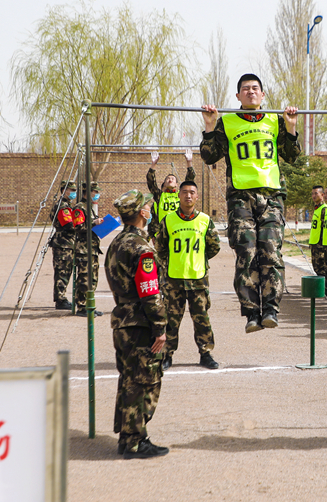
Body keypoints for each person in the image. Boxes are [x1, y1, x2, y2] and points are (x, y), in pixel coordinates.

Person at [200, 73, 301, 332]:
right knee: (247, 252)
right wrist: (210, 126)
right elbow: (210, 157)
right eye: (245, 89)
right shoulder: (228, 122)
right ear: (238, 96)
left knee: (270, 251)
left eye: (255, 88)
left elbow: (292, 157)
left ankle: (271, 308)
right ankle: (251, 312)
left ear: (263, 94)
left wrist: (290, 128)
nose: (251, 92)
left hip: (271, 196)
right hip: (240, 198)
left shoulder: (274, 120)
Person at [104, 189, 169, 459]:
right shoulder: (141, 249)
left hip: (123, 320)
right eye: (148, 207)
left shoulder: (117, 242)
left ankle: (128, 437)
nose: (151, 210)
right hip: (140, 323)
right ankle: (134, 441)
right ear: (142, 213)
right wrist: (160, 327)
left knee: (129, 379)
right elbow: (149, 291)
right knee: (144, 383)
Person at [156, 181, 221, 371]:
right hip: (173, 280)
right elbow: (160, 248)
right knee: (171, 320)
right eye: (184, 192)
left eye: (192, 192)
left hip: (198, 279)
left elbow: (214, 246)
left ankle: (206, 353)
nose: (188, 196)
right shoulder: (168, 220)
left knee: (201, 318)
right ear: (178, 195)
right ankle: (167, 355)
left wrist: (199, 259)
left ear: (197, 196)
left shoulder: (205, 220)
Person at [146, 149, 197, 241]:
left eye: (173, 179)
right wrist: (154, 164)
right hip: (162, 233)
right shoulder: (160, 196)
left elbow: (190, 180)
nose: (170, 180)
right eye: (168, 179)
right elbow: (151, 182)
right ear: (164, 184)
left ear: (177, 185)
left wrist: (189, 162)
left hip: (179, 230)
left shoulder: (180, 195)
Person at [73, 182, 105, 317]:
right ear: (88, 192)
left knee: (93, 279)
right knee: (84, 278)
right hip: (84, 249)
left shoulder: (89, 207)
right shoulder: (79, 208)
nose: (97, 195)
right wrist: (94, 223)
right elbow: (78, 227)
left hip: (92, 248)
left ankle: (89, 305)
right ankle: (81, 307)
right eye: (95, 192)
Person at [50, 180, 79, 310]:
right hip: (63, 243)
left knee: (66, 271)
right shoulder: (63, 206)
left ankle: (61, 297)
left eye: (74, 190)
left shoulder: (67, 205)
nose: (73, 193)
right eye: (71, 190)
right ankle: (60, 300)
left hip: (67, 243)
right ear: (63, 191)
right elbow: (69, 225)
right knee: (62, 271)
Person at [308, 186, 327, 279]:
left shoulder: (324, 208)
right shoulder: (316, 209)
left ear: (322, 194)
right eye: (312, 193)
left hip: (320, 244)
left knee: (322, 268)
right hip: (314, 243)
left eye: (316, 193)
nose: (314, 196)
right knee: (316, 267)